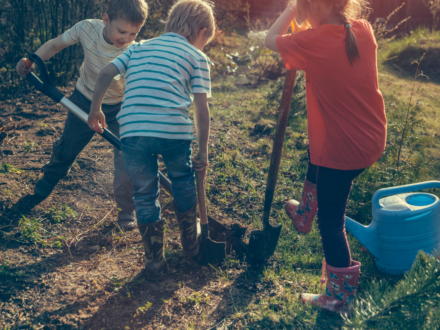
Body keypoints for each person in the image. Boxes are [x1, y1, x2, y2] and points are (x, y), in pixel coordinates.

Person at [265, 0, 386, 314]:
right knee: (315, 149)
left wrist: (291, 8)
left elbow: (270, 39)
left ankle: (338, 298)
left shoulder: (314, 42)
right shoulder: (362, 29)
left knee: (331, 224)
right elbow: (324, 40)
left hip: (342, 148)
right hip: (368, 137)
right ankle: (304, 214)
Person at [87, 0, 215, 280]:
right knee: (182, 181)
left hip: (132, 131)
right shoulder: (197, 57)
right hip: (173, 133)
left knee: (144, 194)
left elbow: (107, 72)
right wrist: (202, 150)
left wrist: (95, 109)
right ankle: (191, 248)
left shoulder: (137, 47)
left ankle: (154, 261)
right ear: (202, 32)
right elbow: (201, 109)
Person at [15, 0, 149, 231]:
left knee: (126, 157)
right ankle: (50, 177)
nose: (126, 38)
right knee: (68, 145)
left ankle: (126, 208)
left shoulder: (133, 51)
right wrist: (31, 61)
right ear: (106, 20)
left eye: (133, 33)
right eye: (121, 31)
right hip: (83, 99)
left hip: (120, 108)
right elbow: (55, 45)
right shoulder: (87, 28)